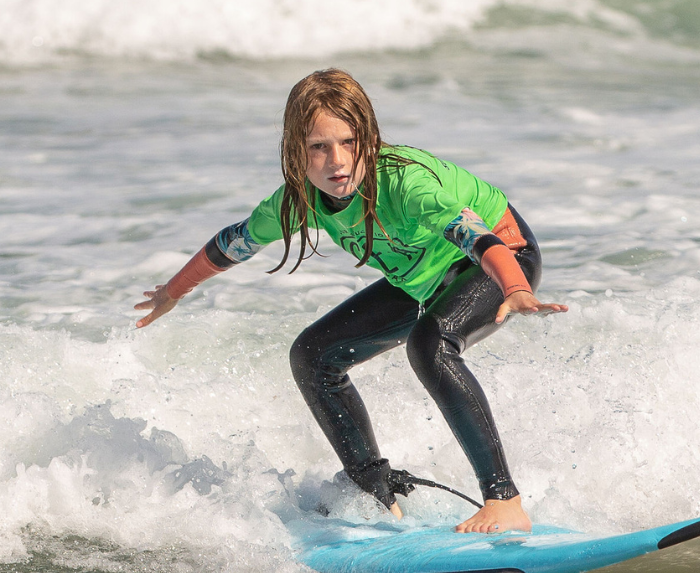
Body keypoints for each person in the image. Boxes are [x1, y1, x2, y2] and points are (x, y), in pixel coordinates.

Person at [135, 68, 567, 534]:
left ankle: (504, 500)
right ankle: (374, 490)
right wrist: (171, 293)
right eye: (319, 147)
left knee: (431, 344)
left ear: (370, 137)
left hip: (501, 258)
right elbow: (232, 243)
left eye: (349, 142)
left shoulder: (406, 184)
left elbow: (476, 236)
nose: (337, 161)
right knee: (313, 355)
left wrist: (515, 287)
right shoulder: (298, 202)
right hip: (420, 277)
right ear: (295, 152)